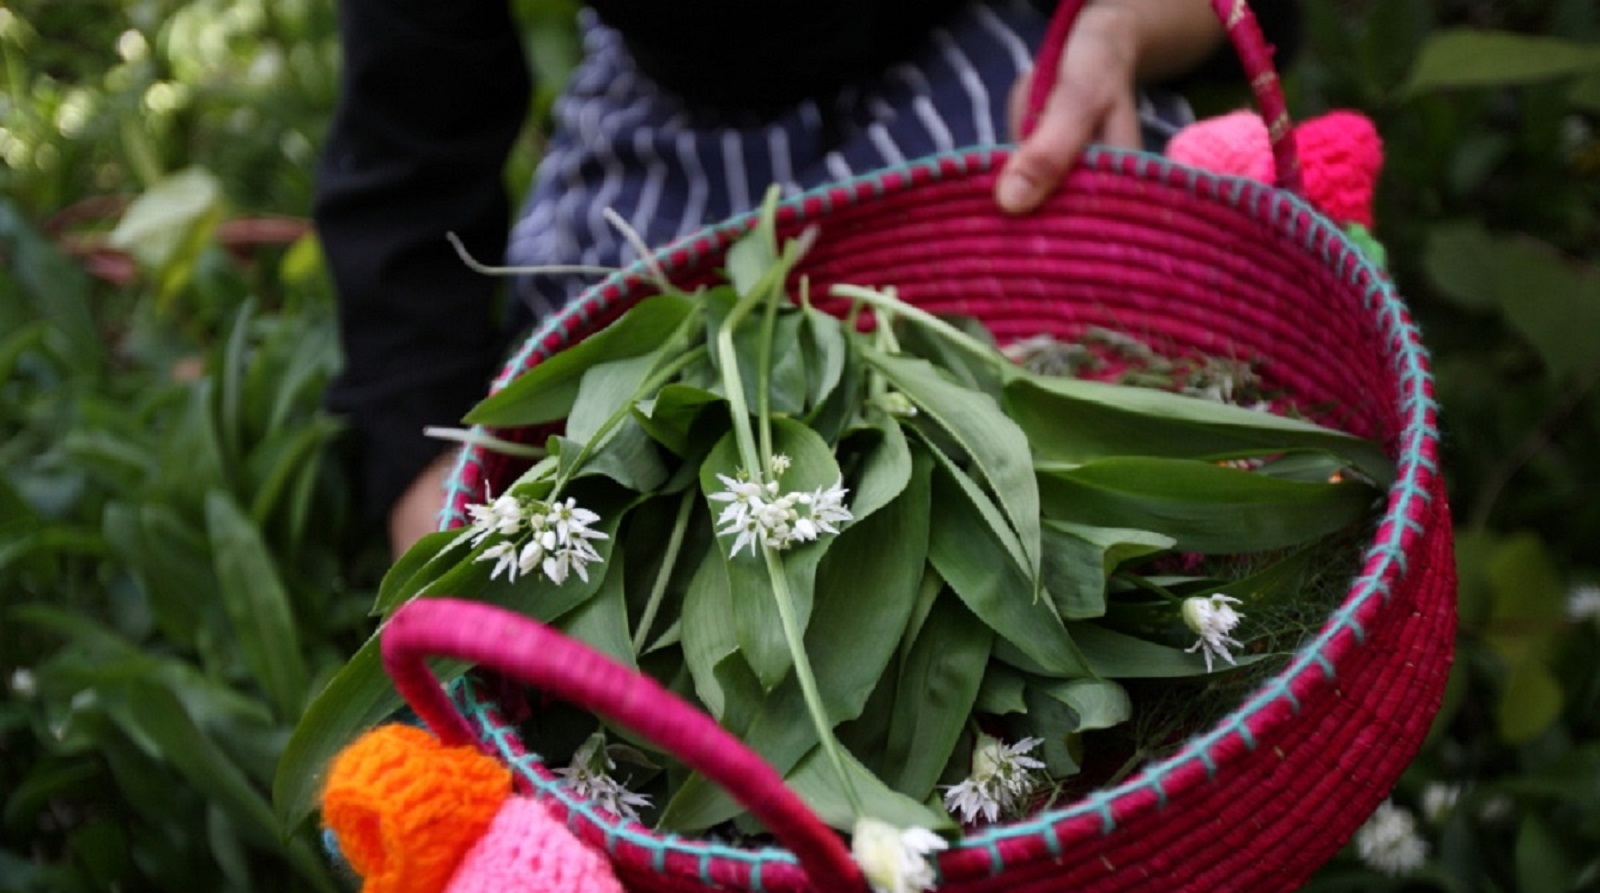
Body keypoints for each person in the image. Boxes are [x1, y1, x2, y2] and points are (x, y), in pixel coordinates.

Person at [313, 0, 1302, 558]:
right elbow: (406, 168)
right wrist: (454, 536)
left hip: (981, 67)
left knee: (1112, 393)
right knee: (634, 437)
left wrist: (1123, 31)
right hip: (686, 137)